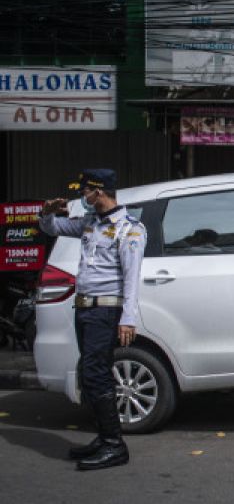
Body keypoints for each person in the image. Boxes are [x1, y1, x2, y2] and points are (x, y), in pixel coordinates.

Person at [39, 169, 147, 471]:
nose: (82, 196)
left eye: (85, 191)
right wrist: (45, 212)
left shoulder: (130, 229)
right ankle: (103, 438)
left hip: (105, 311)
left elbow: (131, 277)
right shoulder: (90, 223)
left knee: (96, 372)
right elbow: (51, 227)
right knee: (91, 373)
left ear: (98, 192)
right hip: (85, 309)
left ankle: (114, 445)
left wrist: (128, 319)